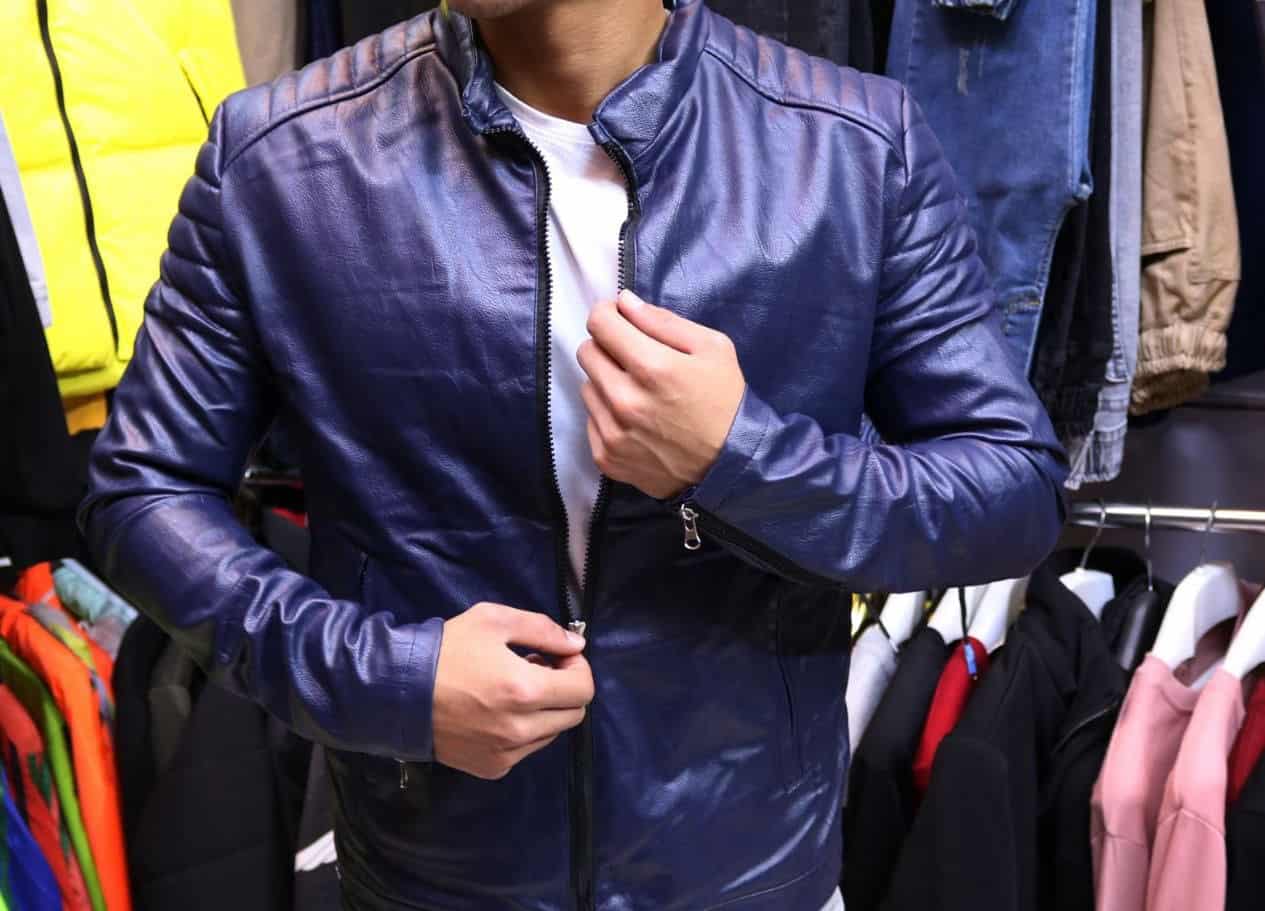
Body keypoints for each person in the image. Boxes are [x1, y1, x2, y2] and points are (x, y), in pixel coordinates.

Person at [79, 1, 1068, 908]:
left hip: (751, 875)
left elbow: (1010, 487)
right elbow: (141, 493)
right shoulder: (284, 158)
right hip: (433, 875)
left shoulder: (848, 145)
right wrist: (389, 680)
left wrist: (739, 458)